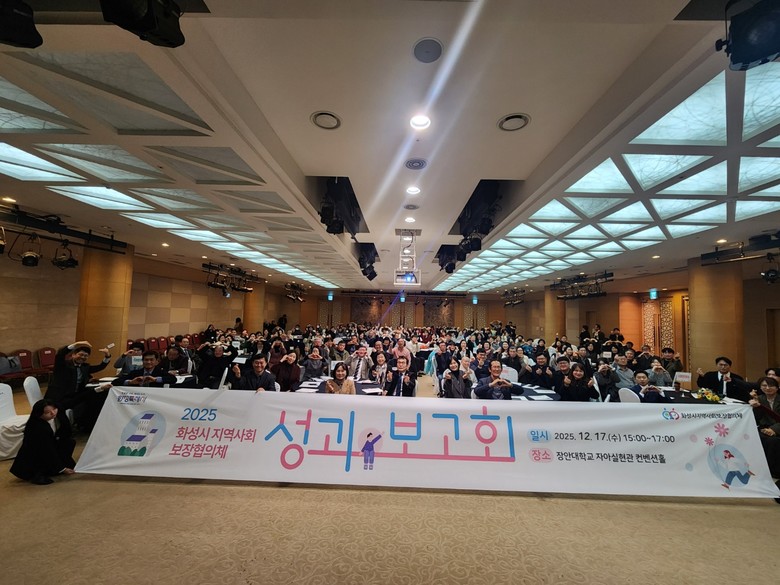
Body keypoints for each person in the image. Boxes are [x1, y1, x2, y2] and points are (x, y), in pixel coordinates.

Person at [46, 341, 112, 431]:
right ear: (73, 355)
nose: (83, 357)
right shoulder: (63, 365)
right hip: (59, 397)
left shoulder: (84, 367)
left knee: (98, 396)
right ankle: (73, 427)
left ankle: (88, 425)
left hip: (74, 396)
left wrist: (107, 356)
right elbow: (60, 355)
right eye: (80, 354)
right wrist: (76, 344)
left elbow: (100, 367)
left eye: (86, 356)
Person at [10, 400, 76, 485]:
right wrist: (62, 469)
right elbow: (47, 450)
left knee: (69, 442)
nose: (53, 413)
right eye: (47, 412)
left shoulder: (54, 417)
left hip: (47, 448)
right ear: (39, 414)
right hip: (37, 457)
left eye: (54, 409)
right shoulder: (39, 428)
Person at [749, 377, 780, 480]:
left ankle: (775, 471)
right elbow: (756, 418)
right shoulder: (759, 399)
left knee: (774, 441)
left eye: (771, 385)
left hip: (777, 428)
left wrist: (774, 429)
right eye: (764, 385)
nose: (767, 388)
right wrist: (756, 406)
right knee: (759, 438)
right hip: (764, 428)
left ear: (777, 387)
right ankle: (762, 469)